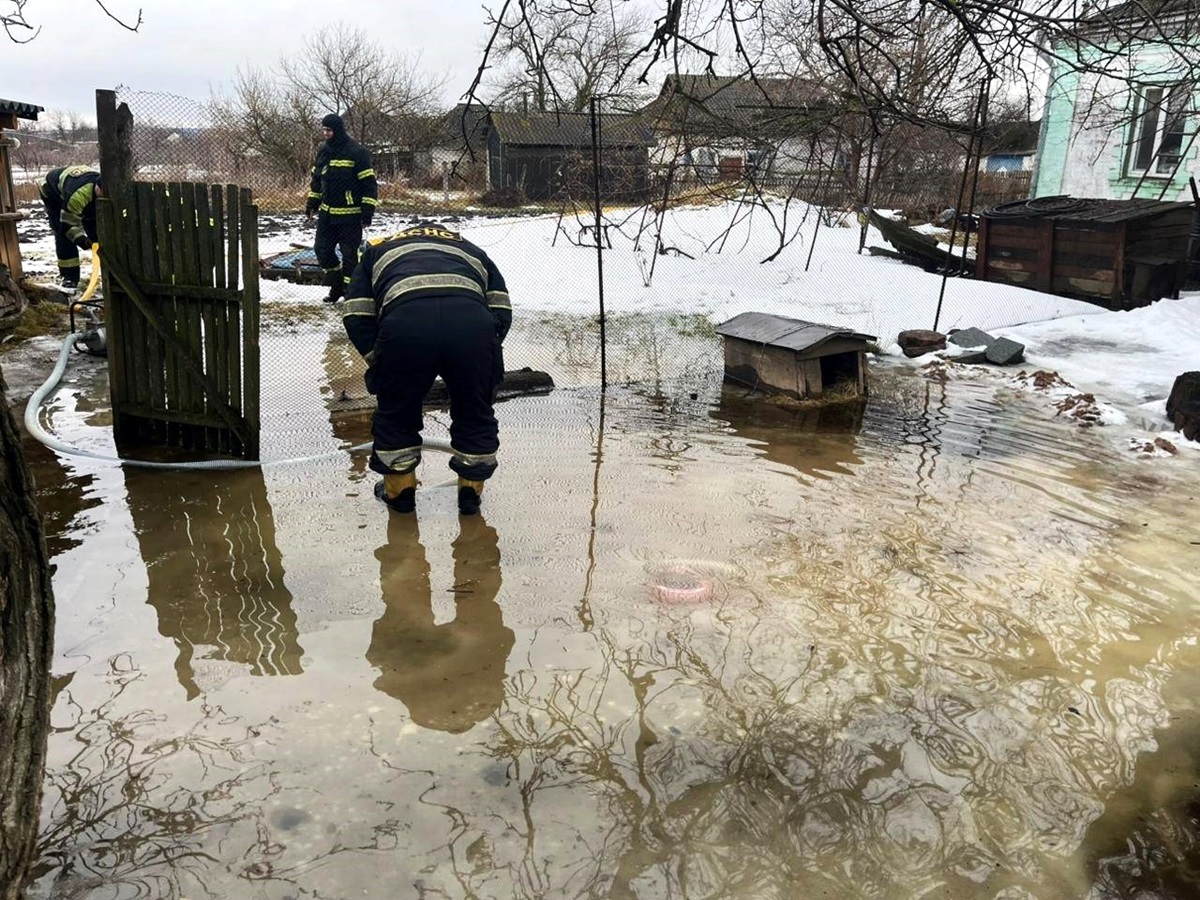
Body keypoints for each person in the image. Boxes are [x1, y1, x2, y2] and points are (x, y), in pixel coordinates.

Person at [341, 222, 512, 515]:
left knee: (397, 415)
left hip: (405, 327)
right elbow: (501, 307)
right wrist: (487, 350)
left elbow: (356, 311)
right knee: (475, 411)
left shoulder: (376, 251)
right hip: (472, 327)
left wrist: (378, 357)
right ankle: (470, 495)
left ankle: (400, 495)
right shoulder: (470, 249)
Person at [305, 113, 378, 303]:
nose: (326, 134)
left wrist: (367, 211)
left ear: (337, 130)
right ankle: (336, 285)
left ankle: (350, 293)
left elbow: (369, 185)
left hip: (350, 216)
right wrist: (312, 203)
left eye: (329, 130)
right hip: (327, 215)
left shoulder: (356, 152)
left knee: (350, 256)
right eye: (324, 130)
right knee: (322, 250)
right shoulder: (323, 151)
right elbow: (317, 181)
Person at [39, 165, 101, 290]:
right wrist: (82, 241)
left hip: (75, 184)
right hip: (51, 190)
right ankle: (69, 277)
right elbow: (67, 225)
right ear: (98, 187)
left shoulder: (105, 191)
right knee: (63, 234)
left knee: (93, 225)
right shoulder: (79, 196)